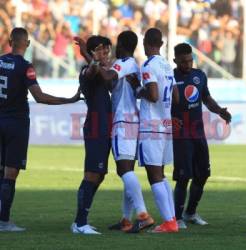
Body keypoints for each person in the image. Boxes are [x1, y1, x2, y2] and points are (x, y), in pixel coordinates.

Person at [0, 27, 80, 232]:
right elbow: (40, 97)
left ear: (10, 42)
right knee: (10, 174)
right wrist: (69, 100)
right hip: (16, 124)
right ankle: (4, 221)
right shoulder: (26, 67)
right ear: (26, 44)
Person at [89, 30, 154, 233]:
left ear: (122, 44)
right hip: (132, 120)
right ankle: (126, 219)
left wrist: (95, 60)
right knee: (127, 170)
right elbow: (111, 82)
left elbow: (108, 75)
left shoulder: (124, 62)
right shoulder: (131, 65)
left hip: (122, 120)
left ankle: (143, 215)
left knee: (123, 170)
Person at [171, 43, 231, 229]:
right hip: (181, 134)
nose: (188, 64)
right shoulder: (170, 78)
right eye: (183, 61)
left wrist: (219, 110)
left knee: (203, 173)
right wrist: (170, 118)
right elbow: (162, 105)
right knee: (183, 177)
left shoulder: (199, 76)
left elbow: (206, 98)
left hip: (198, 132)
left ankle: (190, 212)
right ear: (175, 61)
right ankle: (177, 217)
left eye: (190, 60)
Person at [128, 28, 177, 233]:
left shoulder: (147, 65)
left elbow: (154, 95)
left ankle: (169, 222)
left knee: (154, 174)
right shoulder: (167, 66)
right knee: (162, 174)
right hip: (166, 124)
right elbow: (176, 98)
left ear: (146, 43)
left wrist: (137, 88)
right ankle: (172, 217)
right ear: (162, 44)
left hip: (152, 126)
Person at [70, 35, 112, 235]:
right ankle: (80, 223)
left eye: (106, 50)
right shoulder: (89, 71)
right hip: (96, 127)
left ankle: (81, 219)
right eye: (101, 50)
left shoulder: (107, 72)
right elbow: (91, 71)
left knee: (100, 174)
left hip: (105, 127)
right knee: (92, 173)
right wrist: (91, 57)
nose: (104, 54)